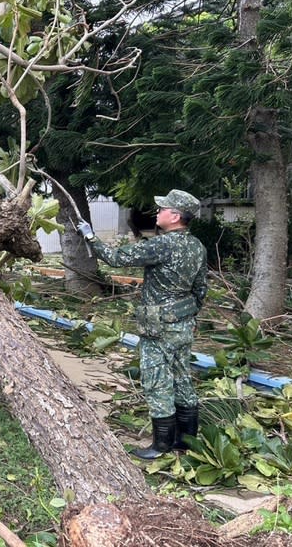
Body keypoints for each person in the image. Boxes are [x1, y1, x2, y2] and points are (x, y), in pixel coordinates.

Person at [77, 190, 207, 459]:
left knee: (157, 381)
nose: (157, 212)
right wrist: (190, 317)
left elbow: (117, 258)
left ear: (175, 216)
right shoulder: (197, 246)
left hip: (159, 327)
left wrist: (90, 236)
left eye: (162, 209)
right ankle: (186, 442)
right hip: (182, 324)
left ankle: (161, 445)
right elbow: (200, 290)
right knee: (182, 377)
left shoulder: (162, 245)